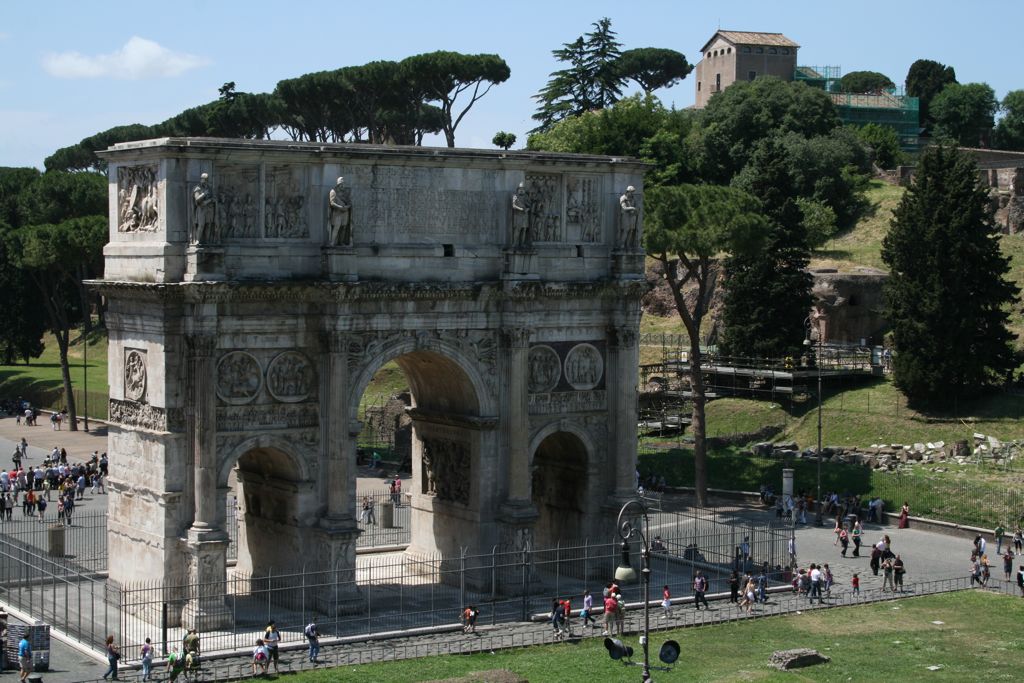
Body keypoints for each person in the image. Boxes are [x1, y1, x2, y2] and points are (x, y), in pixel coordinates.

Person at [328, 176, 353, 246]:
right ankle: (332, 242)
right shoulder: (333, 192)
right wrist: (340, 207)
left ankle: (341, 242)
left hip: (345, 212)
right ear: (338, 184)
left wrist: (347, 207)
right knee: (336, 227)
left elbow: (350, 202)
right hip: (337, 212)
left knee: (344, 227)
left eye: (343, 184)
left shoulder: (345, 193)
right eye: (342, 184)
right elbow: (332, 202)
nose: (343, 186)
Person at [192, 173, 216, 244]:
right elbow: (196, 199)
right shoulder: (198, 188)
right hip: (201, 209)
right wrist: (204, 194)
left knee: (208, 225)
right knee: (201, 225)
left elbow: (214, 198)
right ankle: (198, 240)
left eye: (205, 179)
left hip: (209, 209)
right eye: (202, 179)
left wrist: (209, 201)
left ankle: (207, 240)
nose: (203, 180)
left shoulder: (209, 188)